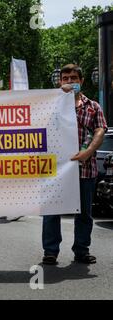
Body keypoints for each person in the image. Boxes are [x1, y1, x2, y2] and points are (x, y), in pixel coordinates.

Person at [42, 64, 107, 265]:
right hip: (56, 169)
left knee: (85, 213)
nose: (70, 82)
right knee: (52, 212)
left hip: (85, 168)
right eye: (66, 78)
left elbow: (100, 130)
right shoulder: (49, 105)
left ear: (81, 81)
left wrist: (88, 152)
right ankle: (50, 252)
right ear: (60, 82)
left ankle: (82, 250)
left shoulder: (93, 106)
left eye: (74, 78)